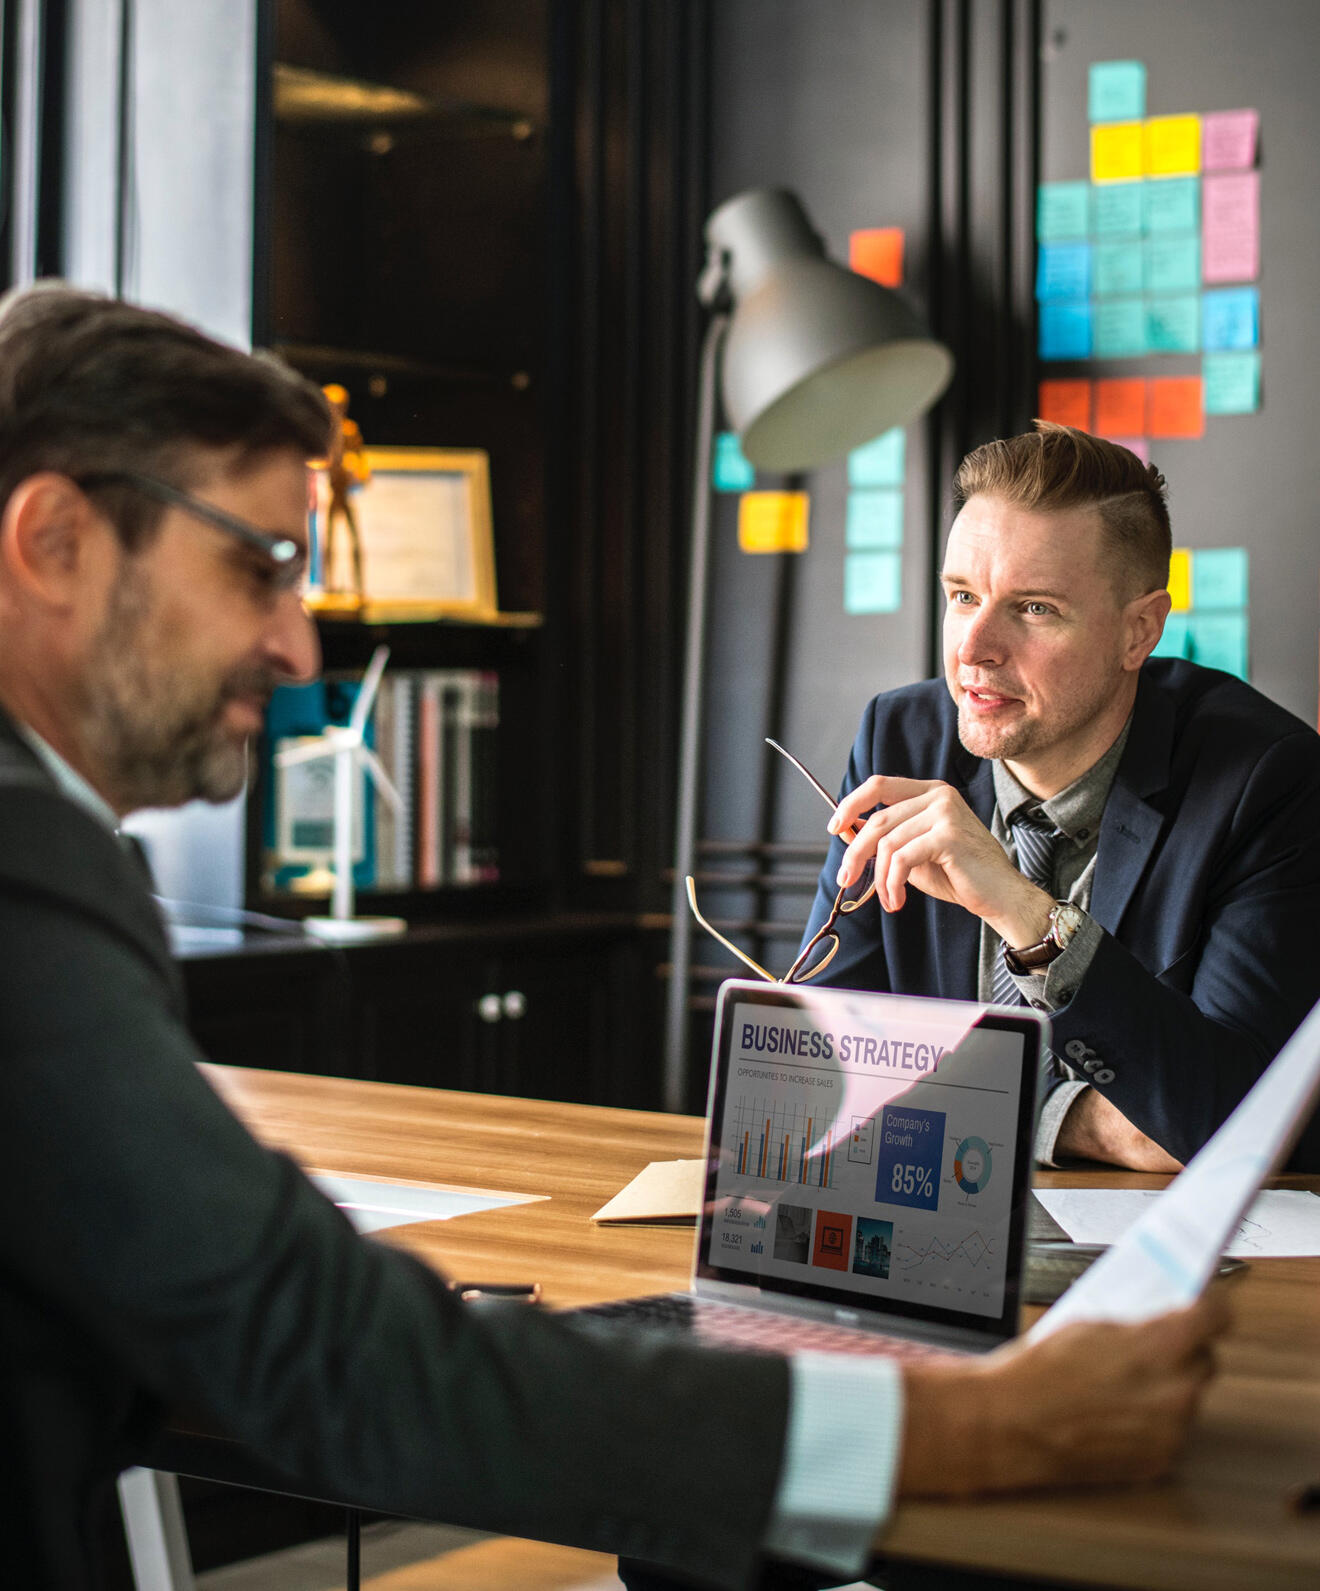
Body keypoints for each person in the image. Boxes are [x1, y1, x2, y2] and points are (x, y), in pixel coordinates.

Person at [0, 286, 1222, 1590]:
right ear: (56, 542)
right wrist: (981, 1425)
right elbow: (334, 1358)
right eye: (261, 564)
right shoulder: (27, 876)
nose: (298, 641)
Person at [801, 423, 1320, 1173]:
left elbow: (1231, 1124)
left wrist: (1027, 915)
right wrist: (1077, 1119)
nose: (973, 648)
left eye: (1034, 608)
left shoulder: (1267, 780)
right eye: (962, 595)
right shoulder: (899, 740)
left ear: (1138, 631)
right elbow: (816, 1064)